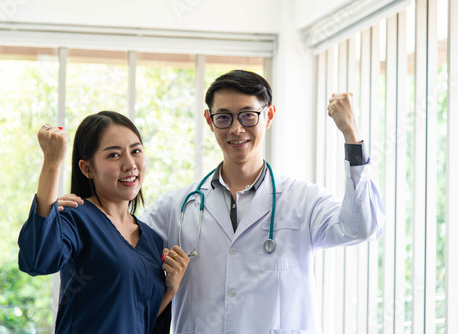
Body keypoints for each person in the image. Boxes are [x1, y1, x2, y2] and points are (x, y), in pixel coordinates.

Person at [59, 70, 385, 333]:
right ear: (209, 120)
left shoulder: (304, 200)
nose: (237, 129)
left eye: (248, 116)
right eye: (224, 118)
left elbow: (363, 227)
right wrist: (83, 212)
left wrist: (352, 137)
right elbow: (117, 246)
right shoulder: (178, 206)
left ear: (268, 115)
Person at [18, 111, 189, 334]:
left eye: (135, 151)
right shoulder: (76, 217)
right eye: (114, 155)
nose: (130, 164)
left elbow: (139, 321)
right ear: (86, 168)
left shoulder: (152, 240)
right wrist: (52, 163)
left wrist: (170, 289)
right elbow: (37, 260)